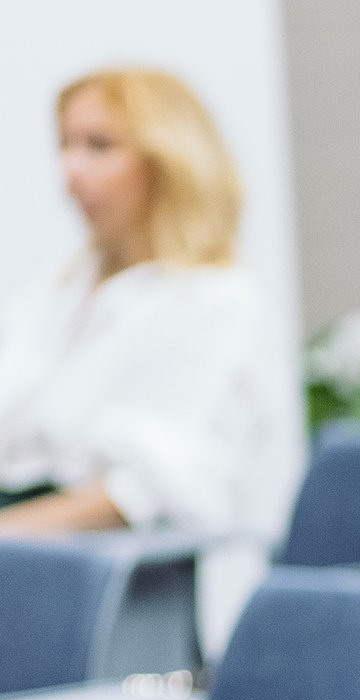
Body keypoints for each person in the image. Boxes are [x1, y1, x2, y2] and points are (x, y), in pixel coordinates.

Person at [0, 67, 299, 543]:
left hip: (110, 577)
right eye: (66, 145)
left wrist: (10, 532)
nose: (71, 171)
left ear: (168, 161)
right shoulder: (59, 292)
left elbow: (150, 491)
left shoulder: (216, 304)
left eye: (99, 146)